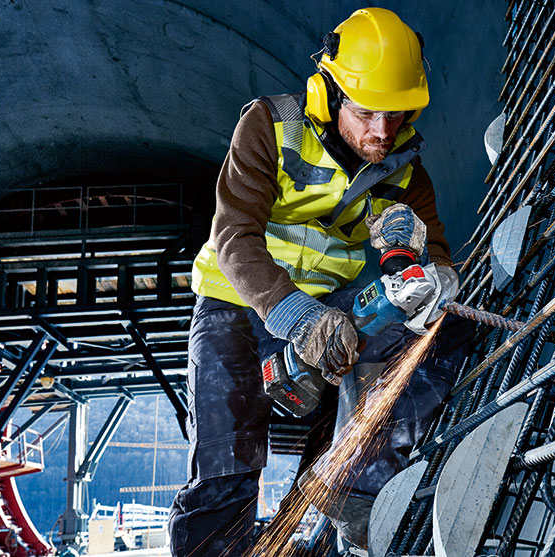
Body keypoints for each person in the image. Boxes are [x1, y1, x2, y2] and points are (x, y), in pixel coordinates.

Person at [167, 7, 472, 555]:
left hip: (338, 314)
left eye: (398, 115)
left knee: (443, 334)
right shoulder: (269, 125)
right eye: (367, 113)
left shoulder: (406, 170)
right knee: (224, 470)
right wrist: (296, 317)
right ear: (331, 92)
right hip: (236, 306)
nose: (383, 131)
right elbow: (234, 235)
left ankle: (356, 493)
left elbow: (440, 260)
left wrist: (432, 281)